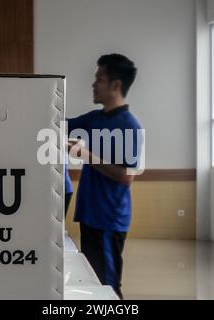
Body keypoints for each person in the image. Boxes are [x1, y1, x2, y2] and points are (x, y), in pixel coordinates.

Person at [67, 54, 142, 299]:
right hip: (89, 215)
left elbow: (126, 176)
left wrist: (86, 154)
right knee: (93, 282)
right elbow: (60, 123)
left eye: (99, 79)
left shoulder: (130, 125)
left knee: (108, 287)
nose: (93, 84)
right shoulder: (94, 118)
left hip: (109, 220)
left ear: (116, 85)